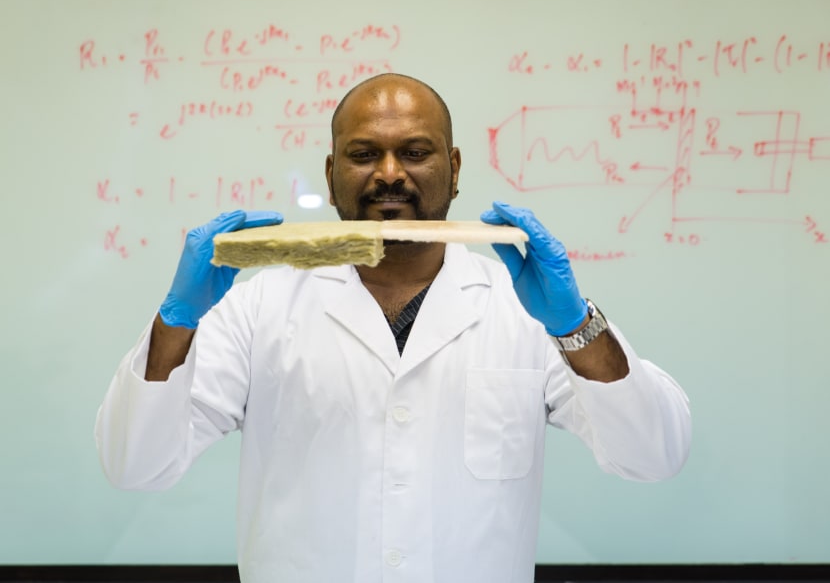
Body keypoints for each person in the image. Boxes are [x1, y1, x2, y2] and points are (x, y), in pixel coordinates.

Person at [96, 73, 691, 583]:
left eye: (414, 152)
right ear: (331, 174)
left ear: (453, 169)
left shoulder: (525, 312)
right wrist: (177, 321)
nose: (388, 174)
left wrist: (574, 325)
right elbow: (136, 465)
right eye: (363, 155)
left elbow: (653, 454)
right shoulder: (259, 308)